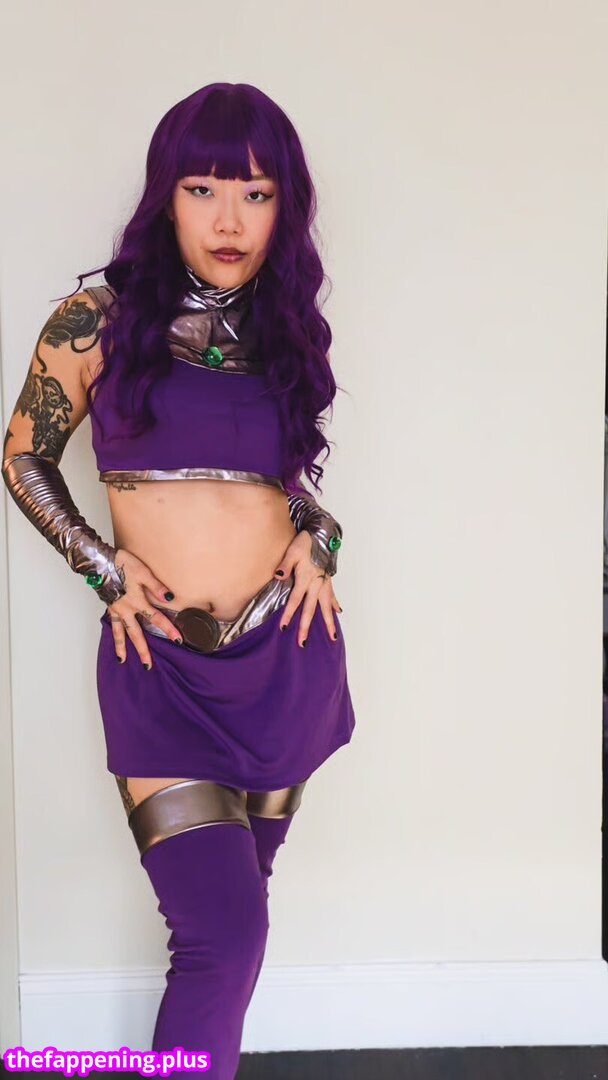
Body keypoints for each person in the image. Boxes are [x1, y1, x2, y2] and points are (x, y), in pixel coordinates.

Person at [1, 81, 356, 1079]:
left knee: (238, 923)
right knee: (221, 934)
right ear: (167, 196)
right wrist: (101, 566)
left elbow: (285, 496)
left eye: (255, 193)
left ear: (285, 206)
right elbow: (22, 456)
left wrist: (320, 543)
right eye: (203, 189)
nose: (228, 220)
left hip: (285, 657)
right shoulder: (95, 321)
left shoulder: (283, 331)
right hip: (159, 665)